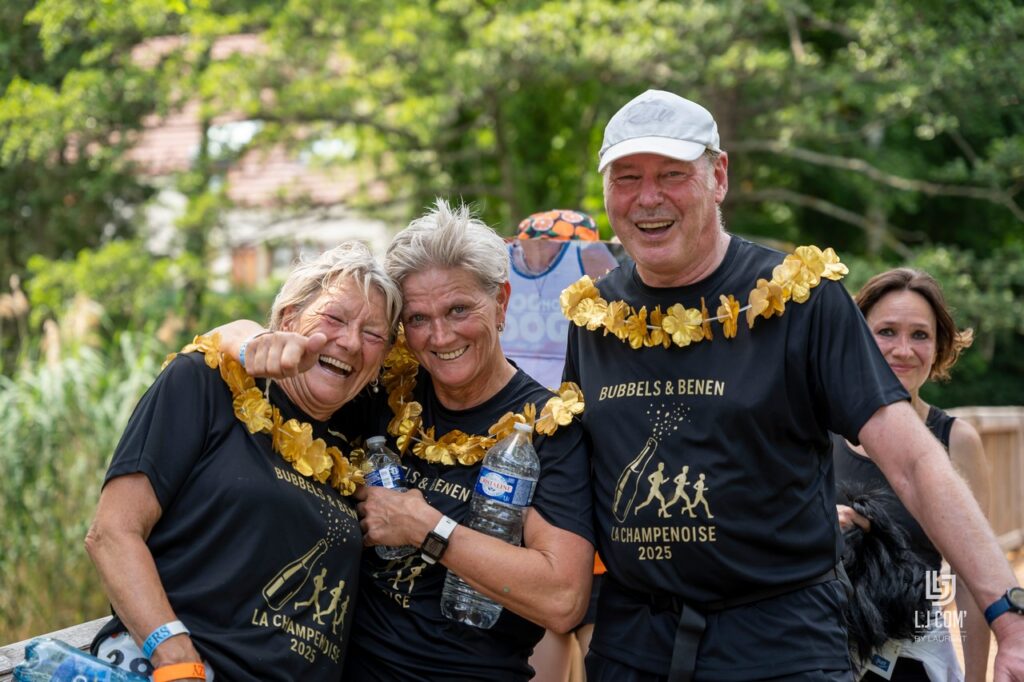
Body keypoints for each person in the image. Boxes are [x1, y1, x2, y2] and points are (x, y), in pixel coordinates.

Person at [560, 89, 1024, 680]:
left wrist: (1008, 613)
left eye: (672, 174)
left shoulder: (800, 300)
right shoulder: (596, 317)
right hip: (633, 647)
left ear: (718, 176)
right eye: (626, 178)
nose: (647, 198)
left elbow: (912, 461)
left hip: (780, 643)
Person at [215, 200, 595, 681]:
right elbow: (259, 352)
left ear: (500, 301)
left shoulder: (545, 427)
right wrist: (247, 336)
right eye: (417, 319)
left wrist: (425, 528)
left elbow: (563, 598)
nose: (440, 336)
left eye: (459, 309)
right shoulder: (383, 389)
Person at [85, 242, 402, 682]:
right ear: (289, 318)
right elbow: (111, 533)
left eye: (373, 335)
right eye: (334, 318)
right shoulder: (209, 382)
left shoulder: (358, 444)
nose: (350, 343)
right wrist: (177, 661)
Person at [834, 268, 990, 681]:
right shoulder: (816, 432)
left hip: (914, 659)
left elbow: (975, 584)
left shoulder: (958, 440)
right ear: (858, 336)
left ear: (938, 347)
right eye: (886, 331)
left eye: (920, 335)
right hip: (821, 658)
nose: (903, 349)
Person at [503, 208, 618, 391]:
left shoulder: (590, 256)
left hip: (573, 389)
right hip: (507, 388)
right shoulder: (498, 258)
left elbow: (620, 316)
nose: (540, 247)